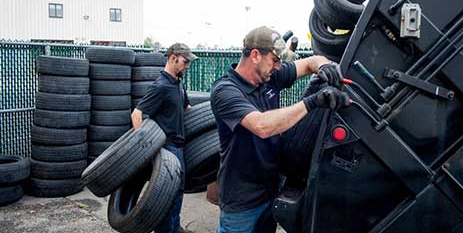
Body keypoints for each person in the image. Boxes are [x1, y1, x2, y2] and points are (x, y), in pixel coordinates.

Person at [210, 26, 350, 233]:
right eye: (275, 60)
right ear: (255, 55)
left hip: (270, 192)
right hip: (241, 202)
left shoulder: (270, 76)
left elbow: (311, 62)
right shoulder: (226, 90)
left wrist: (324, 67)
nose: (278, 67)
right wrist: (313, 102)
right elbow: (262, 126)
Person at [131, 43, 198, 233]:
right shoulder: (160, 86)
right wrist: (146, 149)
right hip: (166, 147)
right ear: (172, 58)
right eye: (185, 62)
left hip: (179, 146)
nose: (187, 66)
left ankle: (174, 227)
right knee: (167, 194)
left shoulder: (177, 83)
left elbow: (187, 109)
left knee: (177, 192)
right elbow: (137, 114)